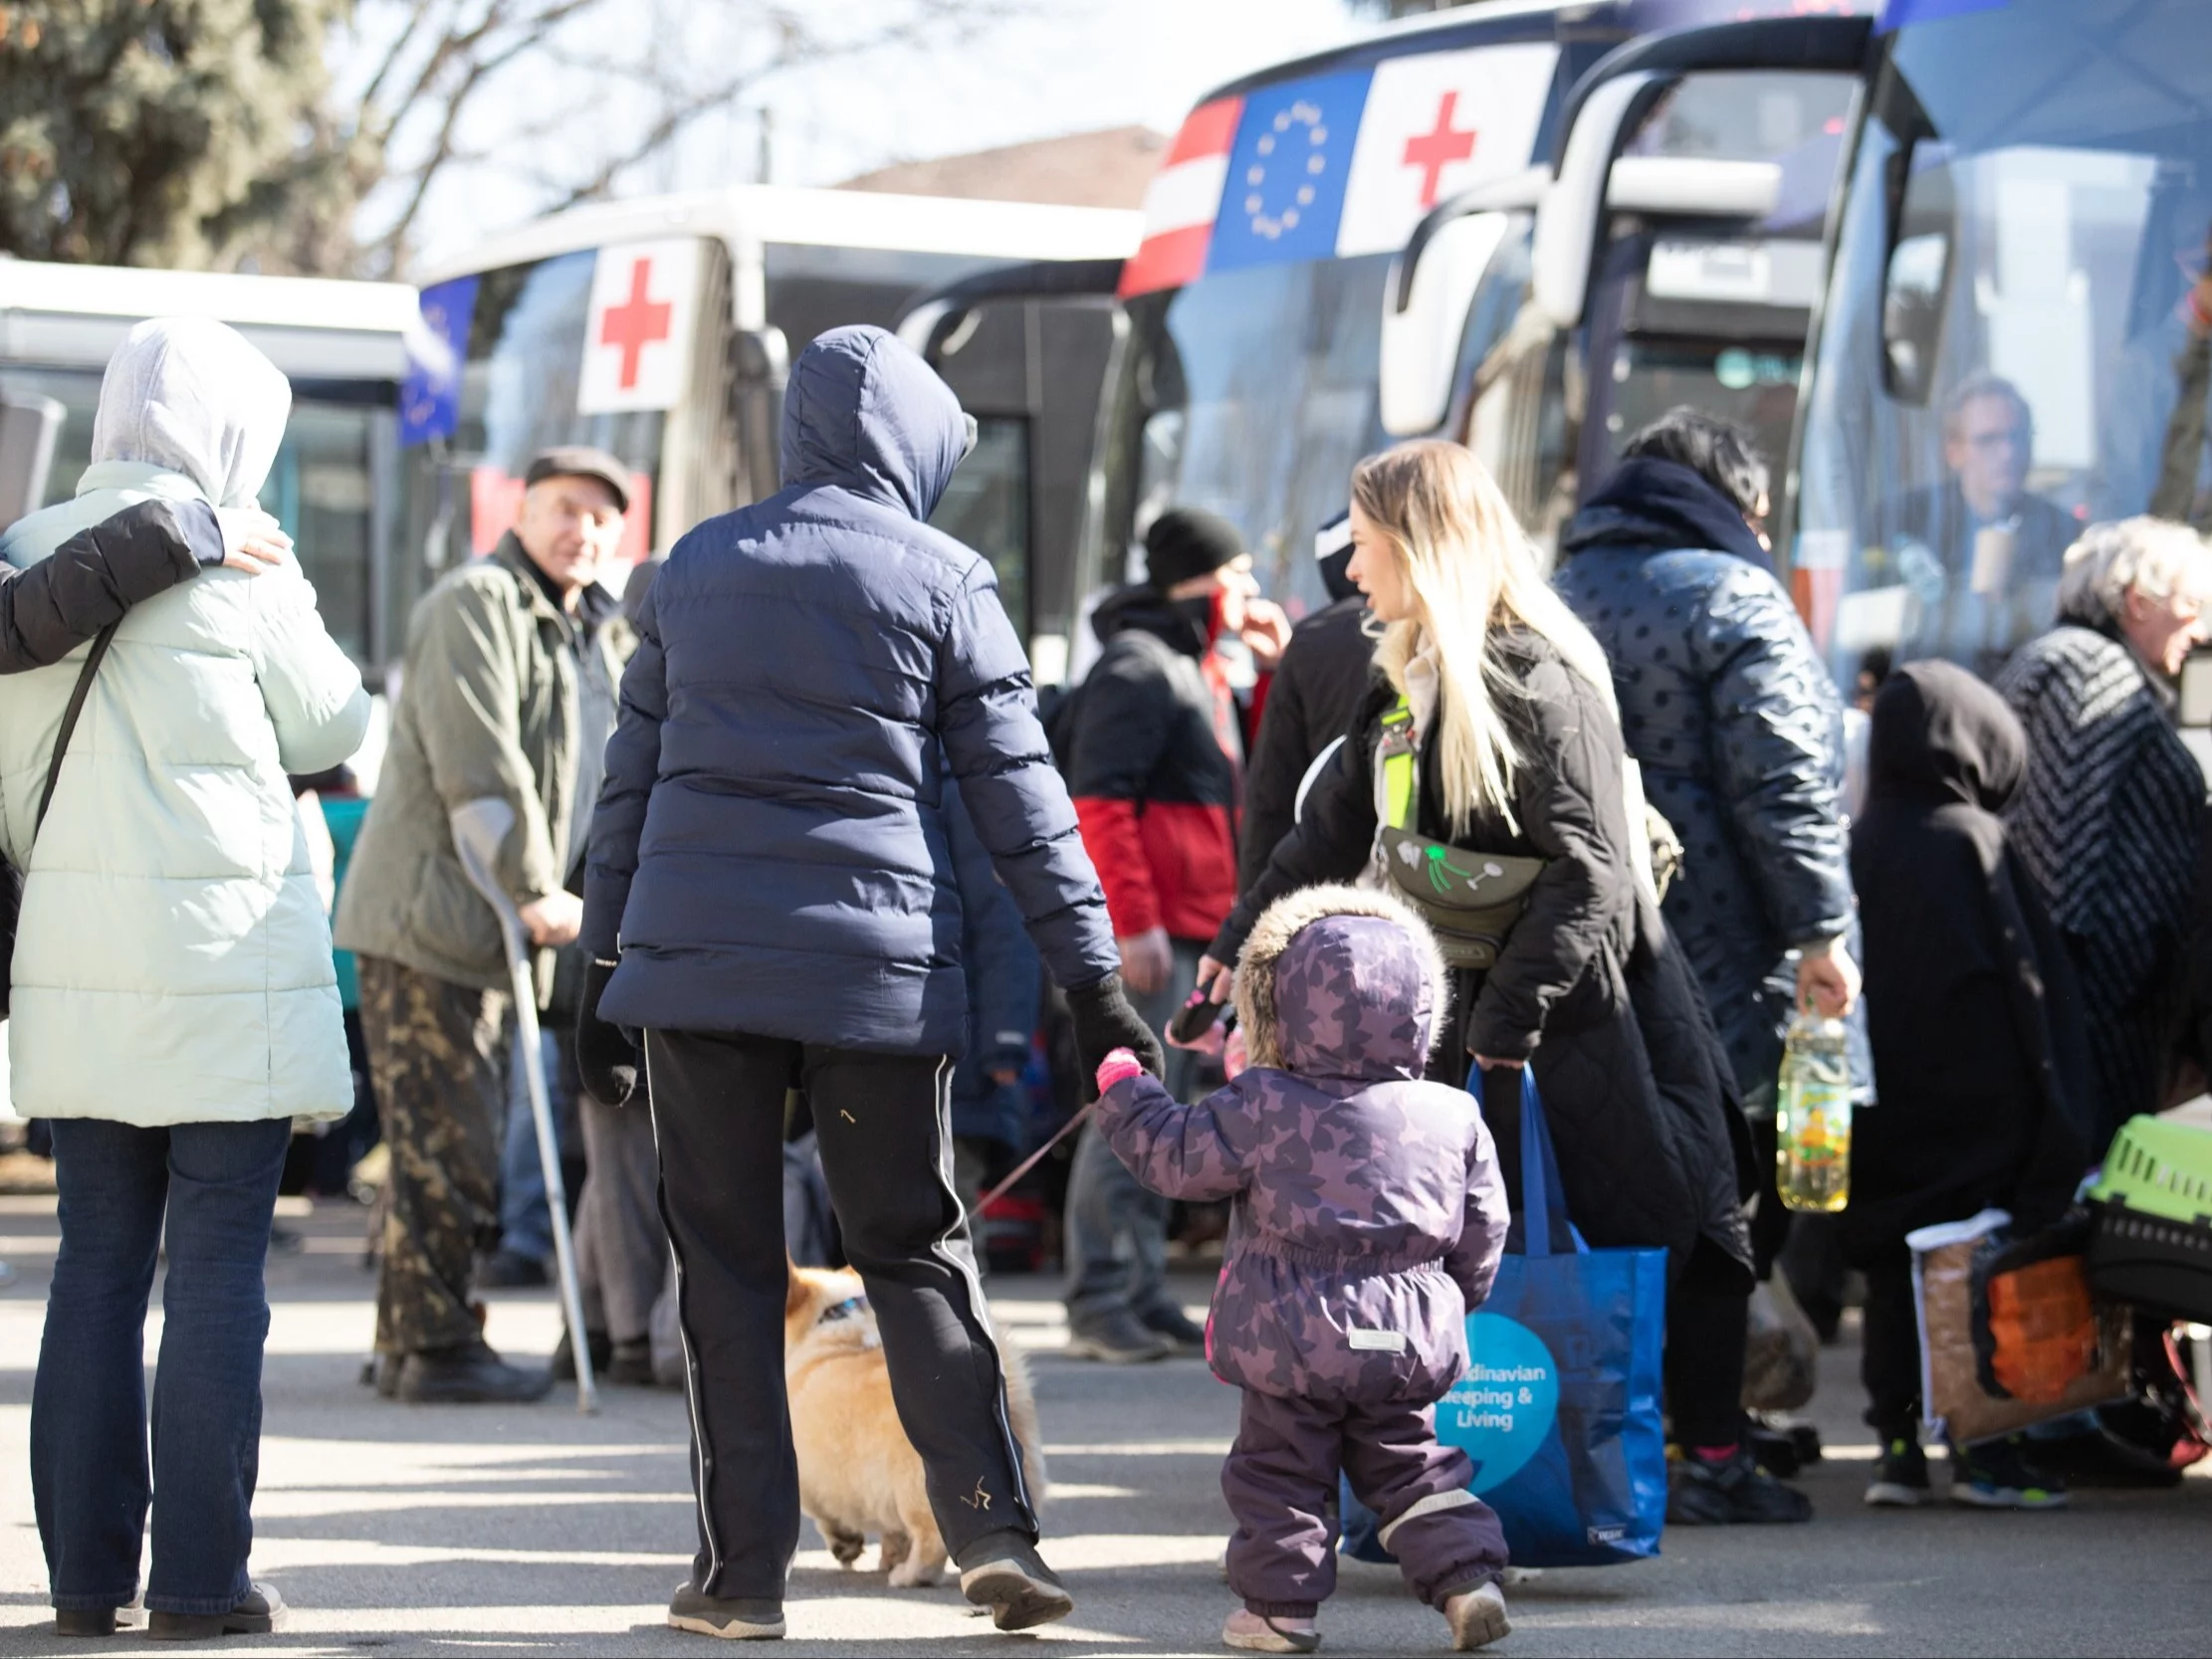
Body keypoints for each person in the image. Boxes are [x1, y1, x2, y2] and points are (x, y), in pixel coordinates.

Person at [575, 324, 1160, 1640]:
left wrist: (597, 973)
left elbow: (626, 797)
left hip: (697, 973)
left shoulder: (689, 569)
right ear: (912, 439)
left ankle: (740, 1578)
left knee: (725, 1268)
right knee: (913, 1246)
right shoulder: (943, 577)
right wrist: (1089, 984)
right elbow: (1023, 804)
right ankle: (990, 1527)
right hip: (874, 977)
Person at [1202, 439, 1802, 1527]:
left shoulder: (1540, 676)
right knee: (1459, 1252)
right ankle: (1449, 1483)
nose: (1349, 569)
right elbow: (1329, 830)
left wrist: (1506, 1025)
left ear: (1424, 546)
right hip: (1468, 1024)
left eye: (1366, 544)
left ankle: (1662, 1461)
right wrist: (1236, 945)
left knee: (1641, 1235)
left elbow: (1590, 869)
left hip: (1582, 1023)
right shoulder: (1405, 674)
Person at [0, 318, 369, 1639]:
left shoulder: (23, 556)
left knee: (93, 1266)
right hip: (230, 980)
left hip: (75, 971)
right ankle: (204, 1582)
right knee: (216, 1274)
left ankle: (85, 1579)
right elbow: (333, 721)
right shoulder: (246, 554)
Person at [1095, 884, 1510, 1654]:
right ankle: (1467, 1581)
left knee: (1280, 1470)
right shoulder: (1451, 1112)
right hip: (1403, 1337)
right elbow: (1484, 1226)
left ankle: (1279, 1613)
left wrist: (1127, 1091)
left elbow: (1175, 1155)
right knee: (1415, 1467)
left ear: (1277, 1006)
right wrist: (1453, 1299)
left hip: (1289, 1336)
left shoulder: (1264, 1099)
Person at [333, 444, 637, 1403]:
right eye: (563, 508)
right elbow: (482, 761)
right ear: (521, 510)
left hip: (490, 927)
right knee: (447, 1141)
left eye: (600, 516)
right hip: (438, 919)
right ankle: (437, 1347)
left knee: (445, 1134)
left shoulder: (596, 629)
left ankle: (408, 1339)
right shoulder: (477, 603)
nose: (581, 529)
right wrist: (536, 886)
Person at [1556, 411, 1862, 1118]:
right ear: (1729, 502)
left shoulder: (1556, 591)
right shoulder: (1735, 595)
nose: (1762, 540)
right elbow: (1783, 783)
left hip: (1589, 944)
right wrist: (1821, 934)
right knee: (1740, 1156)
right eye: (1759, 518)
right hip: (1736, 957)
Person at [1848, 661, 2093, 1511]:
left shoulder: (1860, 839)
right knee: (1980, 1271)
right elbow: (2032, 986)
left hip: (1881, 1105)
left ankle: (1897, 1452)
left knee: (1893, 1273)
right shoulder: (1974, 840)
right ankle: (1986, 1446)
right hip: (1976, 1106)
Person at [1060, 507, 1290, 1362]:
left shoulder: (1198, 665)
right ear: (1204, 577)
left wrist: (1275, 672)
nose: (1252, 589)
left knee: (1172, 1119)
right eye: (1240, 572)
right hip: (1159, 935)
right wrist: (1134, 923)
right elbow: (1100, 806)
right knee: (1126, 1111)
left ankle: (1142, 1289)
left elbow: (1257, 775)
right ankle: (1099, 1296)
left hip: (1196, 931)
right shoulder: (1140, 664)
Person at [1996, 517, 2212, 1141]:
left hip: (2097, 1013)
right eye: (2191, 605)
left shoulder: (2083, 663)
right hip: (2088, 1021)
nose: (2201, 629)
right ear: (2138, 602)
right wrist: (2060, 1016)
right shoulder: (2087, 669)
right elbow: (2057, 852)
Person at [1872, 373, 2078, 671]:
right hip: (1930, 675)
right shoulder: (1905, 519)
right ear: (1954, 451)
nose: (2007, 453)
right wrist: (1895, 565)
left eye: (2018, 437)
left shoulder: (2064, 533)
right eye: (1989, 440)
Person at [1237, 511, 1378, 891]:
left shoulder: (1315, 641)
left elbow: (1271, 800)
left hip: (1327, 886)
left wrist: (1254, 907)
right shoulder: (1452, 630)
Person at [947, 782, 1043, 1216]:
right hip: (933, 1045)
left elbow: (1004, 923)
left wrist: (1005, 1040)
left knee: (949, 1213)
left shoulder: (966, 789)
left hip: (962, 1052)